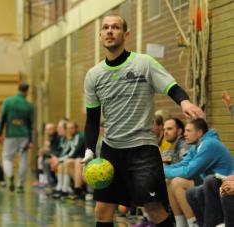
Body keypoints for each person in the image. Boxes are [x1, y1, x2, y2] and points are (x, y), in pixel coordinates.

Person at [82, 14, 204, 227]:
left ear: (126, 34)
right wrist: (90, 149)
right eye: (106, 27)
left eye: (116, 27)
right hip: (111, 151)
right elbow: (92, 120)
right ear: (100, 35)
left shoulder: (143, 63)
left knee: (154, 210)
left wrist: (184, 102)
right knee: (102, 211)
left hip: (142, 150)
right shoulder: (94, 75)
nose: (110, 31)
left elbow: (171, 87)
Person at [164, 118, 234, 227]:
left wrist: (162, 171)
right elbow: (184, 164)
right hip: (208, 180)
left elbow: (189, 172)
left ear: (199, 133)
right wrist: (162, 170)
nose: (185, 134)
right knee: (169, 181)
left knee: (178, 183)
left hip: (221, 182)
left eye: (189, 131)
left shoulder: (209, 144)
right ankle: (180, 224)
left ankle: (193, 224)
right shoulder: (196, 145)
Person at [0, 83, 34, 193]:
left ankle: (10, 175)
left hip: (11, 135)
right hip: (24, 136)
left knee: (7, 158)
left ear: (18, 89)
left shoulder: (8, 102)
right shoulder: (29, 105)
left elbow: (3, 119)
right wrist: (31, 140)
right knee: (23, 160)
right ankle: (20, 186)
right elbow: (31, 125)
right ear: (27, 91)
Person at [52, 121, 85, 199]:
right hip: (76, 158)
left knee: (67, 162)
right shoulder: (70, 137)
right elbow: (64, 150)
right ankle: (62, 188)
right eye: (68, 128)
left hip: (83, 158)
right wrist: (57, 159)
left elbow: (73, 151)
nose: (69, 130)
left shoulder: (79, 136)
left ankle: (71, 189)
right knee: (62, 164)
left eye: (71, 128)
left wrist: (59, 160)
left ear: (76, 128)